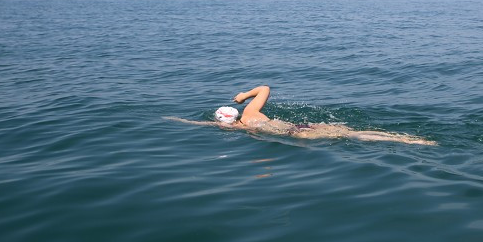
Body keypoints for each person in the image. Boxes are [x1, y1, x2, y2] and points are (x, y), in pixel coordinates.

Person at [165, 85, 436, 146]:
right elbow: (265, 87)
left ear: (223, 122)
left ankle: (409, 141)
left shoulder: (238, 128)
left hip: (296, 133)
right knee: (350, 131)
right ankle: (406, 138)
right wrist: (243, 95)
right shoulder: (250, 111)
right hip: (301, 125)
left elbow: (198, 123)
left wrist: (177, 121)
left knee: (354, 136)